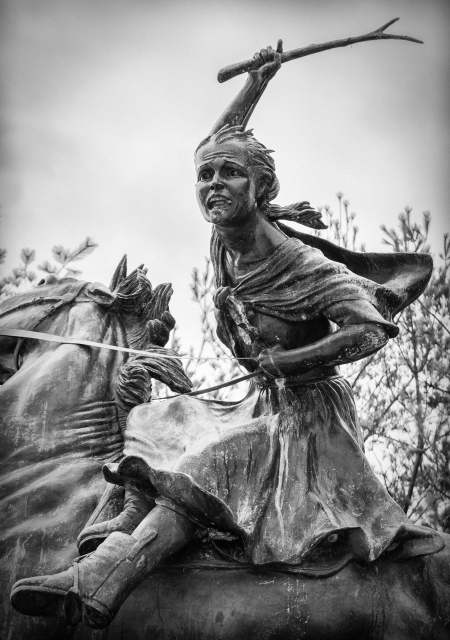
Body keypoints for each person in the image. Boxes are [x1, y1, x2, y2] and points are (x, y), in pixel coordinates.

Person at [10, 44, 443, 630]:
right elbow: (215, 140)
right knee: (161, 422)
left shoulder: (302, 264)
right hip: (262, 401)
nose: (213, 183)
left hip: (309, 417)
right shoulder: (224, 239)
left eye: (230, 174)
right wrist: (256, 83)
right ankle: (105, 552)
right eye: (205, 176)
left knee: (212, 458)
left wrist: (292, 359)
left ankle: (102, 584)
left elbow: (372, 328)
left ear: (259, 188)